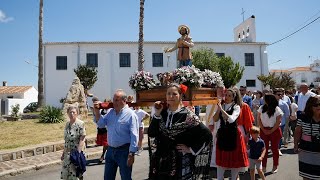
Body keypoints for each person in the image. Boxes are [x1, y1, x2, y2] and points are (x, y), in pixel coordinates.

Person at [148, 83, 212, 180]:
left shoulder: (188, 115)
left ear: (181, 96)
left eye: (174, 94)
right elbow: (152, 133)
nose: (171, 96)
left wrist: (190, 149)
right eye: (168, 94)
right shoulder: (162, 113)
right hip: (161, 161)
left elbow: (206, 134)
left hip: (180, 161)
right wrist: (156, 114)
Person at [93, 89, 139, 180]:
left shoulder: (131, 115)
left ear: (124, 101)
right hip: (110, 150)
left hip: (124, 151)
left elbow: (134, 135)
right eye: (114, 100)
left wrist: (132, 153)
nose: (114, 102)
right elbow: (101, 124)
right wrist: (97, 111)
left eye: (117, 100)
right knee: (108, 177)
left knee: (126, 177)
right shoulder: (111, 113)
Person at [213, 88, 249, 180]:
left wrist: (221, 109)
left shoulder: (236, 107)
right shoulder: (222, 106)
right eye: (226, 95)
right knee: (221, 160)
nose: (227, 97)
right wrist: (218, 109)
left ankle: (234, 178)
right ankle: (220, 178)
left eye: (229, 96)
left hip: (234, 135)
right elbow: (215, 119)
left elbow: (231, 119)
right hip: (222, 134)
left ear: (233, 98)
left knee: (234, 160)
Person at [294, 96, 320, 180]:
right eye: (316, 105)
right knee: (306, 174)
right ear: (310, 106)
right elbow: (298, 131)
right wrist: (295, 145)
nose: (319, 107)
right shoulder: (303, 116)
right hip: (306, 149)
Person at [257, 93, 283, 174]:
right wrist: (263, 129)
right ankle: (263, 167)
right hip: (264, 130)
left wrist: (271, 131)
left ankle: (275, 166)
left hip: (274, 131)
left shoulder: (277, 109)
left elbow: (278, 121)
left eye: (265, 99)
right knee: (264, 149)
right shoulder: (261, 108)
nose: (263, 100)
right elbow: (259, 119)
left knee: (275, 149)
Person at [61, 105, 86, 180]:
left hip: (75, 154)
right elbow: (67, 140)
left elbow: (82, 138)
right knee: (66, 175)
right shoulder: (67, 124)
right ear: (67, 113)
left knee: (75, 175)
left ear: (77, 113)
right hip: (67, 154)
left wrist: (78, 152)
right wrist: (63, 153)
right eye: (70, 112)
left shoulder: (80, 124)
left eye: (73, 112)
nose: (72, 114)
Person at [206, 84, 225, 168]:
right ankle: (213, 163)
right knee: (214, 143)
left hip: (223, 124)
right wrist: (210, 123)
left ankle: (222, 160)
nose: (222, 92)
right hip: (215, 124)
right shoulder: (212, 100)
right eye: (220, 90)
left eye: (223, 90)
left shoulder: (225, 99)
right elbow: (209, 112)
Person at [92, 97, 109, 164]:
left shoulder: (106, 110)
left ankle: (103, 155)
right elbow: (96, 119)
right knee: (105, 144)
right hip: (100, 129)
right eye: (94, 102)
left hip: (106, 129)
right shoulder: (96, 109)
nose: (95, 103)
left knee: (106, 144)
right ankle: (106, 155)